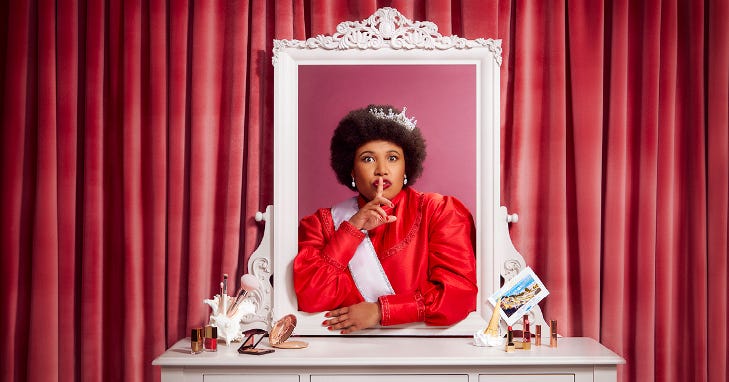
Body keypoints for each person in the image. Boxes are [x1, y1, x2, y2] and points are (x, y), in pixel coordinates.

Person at [293, 104, 478, 334]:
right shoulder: (320, 224)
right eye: (368, 159)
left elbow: (457, 295)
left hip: (429, 350)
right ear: (351, 170)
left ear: (406, 166)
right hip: (340, 352)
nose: (382, 170)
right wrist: (352, 229)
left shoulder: (438, 211)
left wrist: (380, 312)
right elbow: (312, 298)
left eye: (392, 158)